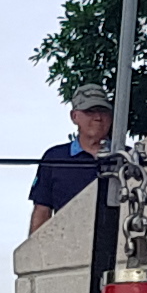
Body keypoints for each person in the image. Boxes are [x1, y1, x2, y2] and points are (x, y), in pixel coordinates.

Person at [27, 96, 116, 233]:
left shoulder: (128, 158)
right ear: (74, 116)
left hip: (121, 247)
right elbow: (42, 210)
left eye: (103, 111)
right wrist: (34, 252)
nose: (98, 117)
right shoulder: (55, 158)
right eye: (90, 111)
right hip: (68, 244)